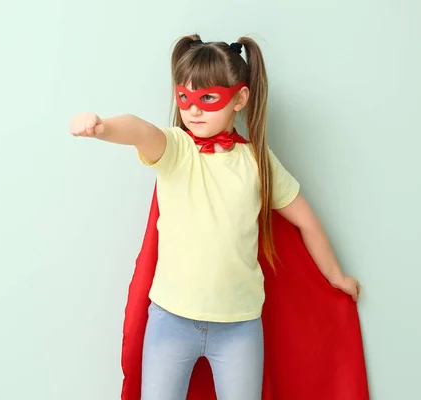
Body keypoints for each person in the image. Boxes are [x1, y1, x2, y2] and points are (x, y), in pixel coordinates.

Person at [70, 34, 361, 400]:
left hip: (239, 328)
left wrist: (337, 276)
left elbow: (305, 220)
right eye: (185, 98)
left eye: (208, 98)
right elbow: (140, 129)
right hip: (170, 320)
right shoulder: (176, 148)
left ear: (239, 99)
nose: (193, 110)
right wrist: (102, 126)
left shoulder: (258, 161)